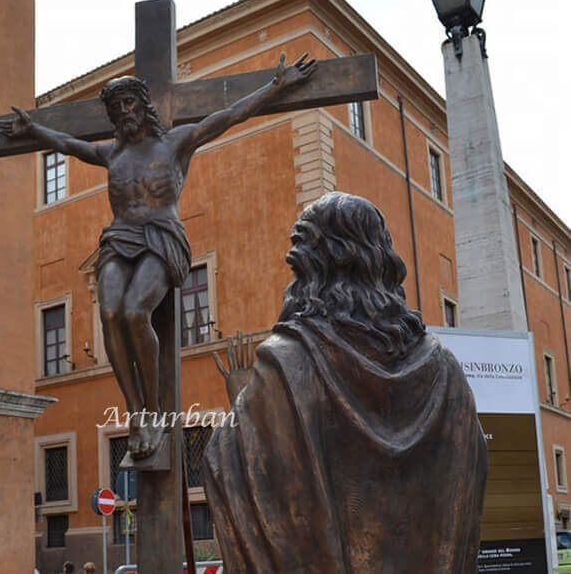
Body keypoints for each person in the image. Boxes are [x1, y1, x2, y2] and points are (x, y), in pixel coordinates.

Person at [0, 53, 315, 458]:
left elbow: (229, 115)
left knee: (133, 312)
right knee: (109, 312)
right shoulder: (112, 154)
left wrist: (275, 87)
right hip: (119, 237)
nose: (124, 112)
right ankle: (137, 411)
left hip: (162, 235)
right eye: (116, 108)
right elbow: (68, 144)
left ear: (143, 106)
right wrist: (32, 129)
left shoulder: (175, 142)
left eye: (129, 103)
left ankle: (154, 408)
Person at [204, 192, 488, 573]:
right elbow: (471, 477)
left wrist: (244, 401)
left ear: (314, 269)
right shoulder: (446, 371)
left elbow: (236, 470)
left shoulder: (287, 363)